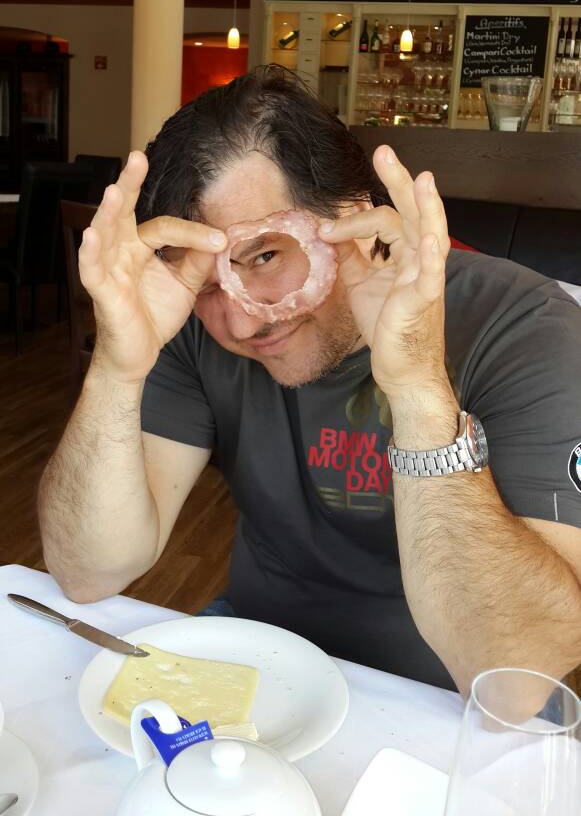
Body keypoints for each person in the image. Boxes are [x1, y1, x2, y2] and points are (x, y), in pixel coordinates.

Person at [39, 66, 581, 695]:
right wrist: (115, 367)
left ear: (356, 222)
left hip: (443, 697)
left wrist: (417, 386)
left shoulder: (524, 325)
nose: (241, 321)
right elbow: (87, 572)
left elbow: (514, 678)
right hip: (257, 652)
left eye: (266, 256)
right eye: (209, 285)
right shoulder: (187, 320)